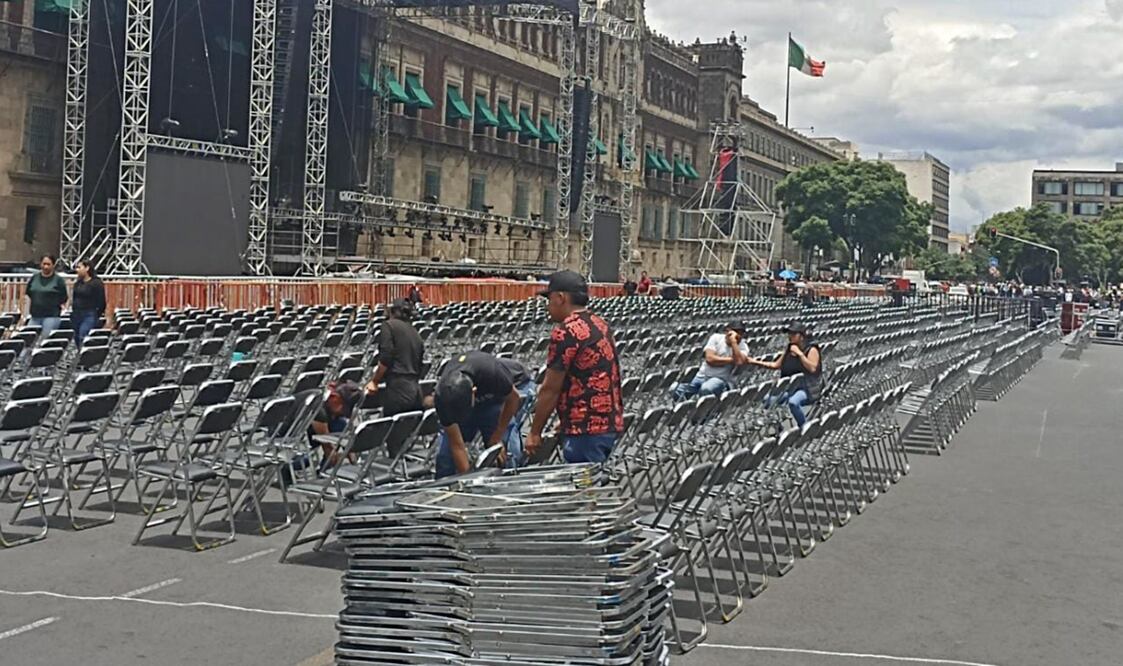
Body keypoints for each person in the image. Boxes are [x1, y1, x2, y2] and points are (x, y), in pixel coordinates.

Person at [527, 270, 624, 465]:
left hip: (586, 428)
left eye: (550, 298)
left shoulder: (566, 332)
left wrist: (535, 432)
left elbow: (551, 388)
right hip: (608, 421)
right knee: (592, 484)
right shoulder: (600, 324)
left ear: (560, 297)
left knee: (585, 490)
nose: (548, 305)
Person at [431, 351, 534, 479]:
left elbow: (513, 400)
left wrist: (497, 436)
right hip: (472, 398)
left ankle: (509, 481)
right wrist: (467, 481)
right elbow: (457, 445)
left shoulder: (492, 373)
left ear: (474, 391)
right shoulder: (443, 398)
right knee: (446, 457)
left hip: (500, 396)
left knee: (506, 451)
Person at [745, 322, 822, 427]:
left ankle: (804, 428)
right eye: (789, 334)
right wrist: (754, 362)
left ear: (802, 336)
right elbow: (776, 365)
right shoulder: (789, 349)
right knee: (768, 400)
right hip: (789, 388)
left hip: (807, 388)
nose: (790, 336)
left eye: (793, 334)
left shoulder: (811, 349)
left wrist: (800, 354)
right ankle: (778, 428)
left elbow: (812, 368)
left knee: (793, 403)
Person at [365, 298, 424, 416]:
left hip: (397, 388)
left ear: (392, 311)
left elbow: (386, 357)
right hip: (415, 388)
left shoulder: (388, 326)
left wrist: (375, 381)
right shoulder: (414, 331)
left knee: (391, 431)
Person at [672, 322, 749, 401]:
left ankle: (703, 412)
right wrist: (733, 360)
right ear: (727, 331)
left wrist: (733, 342)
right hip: (702, 375)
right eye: (736, 332)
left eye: (741, 333)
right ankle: (687, 410)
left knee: (706, 389)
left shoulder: (743, 346)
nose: (738, 336)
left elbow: (739, 361)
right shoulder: (716, 338)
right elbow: (710, 359)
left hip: (720, 379)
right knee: (674, 388)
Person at [309, 380, 363, 468]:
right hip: (290, 438)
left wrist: (354, 462)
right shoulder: (319, 409)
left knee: (341, 424)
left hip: (314, 434)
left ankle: (326, 470)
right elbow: (327, 447)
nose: (342, 412)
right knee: (305, 460)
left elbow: (347, 441)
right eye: (343, 407)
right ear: (334, 397)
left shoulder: (331, 406)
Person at [23, 255, 68, 338]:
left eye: (48, 264)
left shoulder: (59, 280)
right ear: (40, 264)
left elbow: (64, 297)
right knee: (28, 338)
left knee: (45, 339)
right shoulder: (34, 278)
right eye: (44, 264)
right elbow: (28, 293)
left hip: (51, 316)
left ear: (53, 265)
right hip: (35, 316)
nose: (46, 266)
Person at [71, 259, 106, 349]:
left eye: (79, 267)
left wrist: (97, 314)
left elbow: (102, 301)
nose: (77, 270)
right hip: (76, 314)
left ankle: (84, 357)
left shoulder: (96, 283)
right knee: (77, 336)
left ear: (87, 268)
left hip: (89, 314)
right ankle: (79, 354)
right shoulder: (78, 283)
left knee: (84, 334)